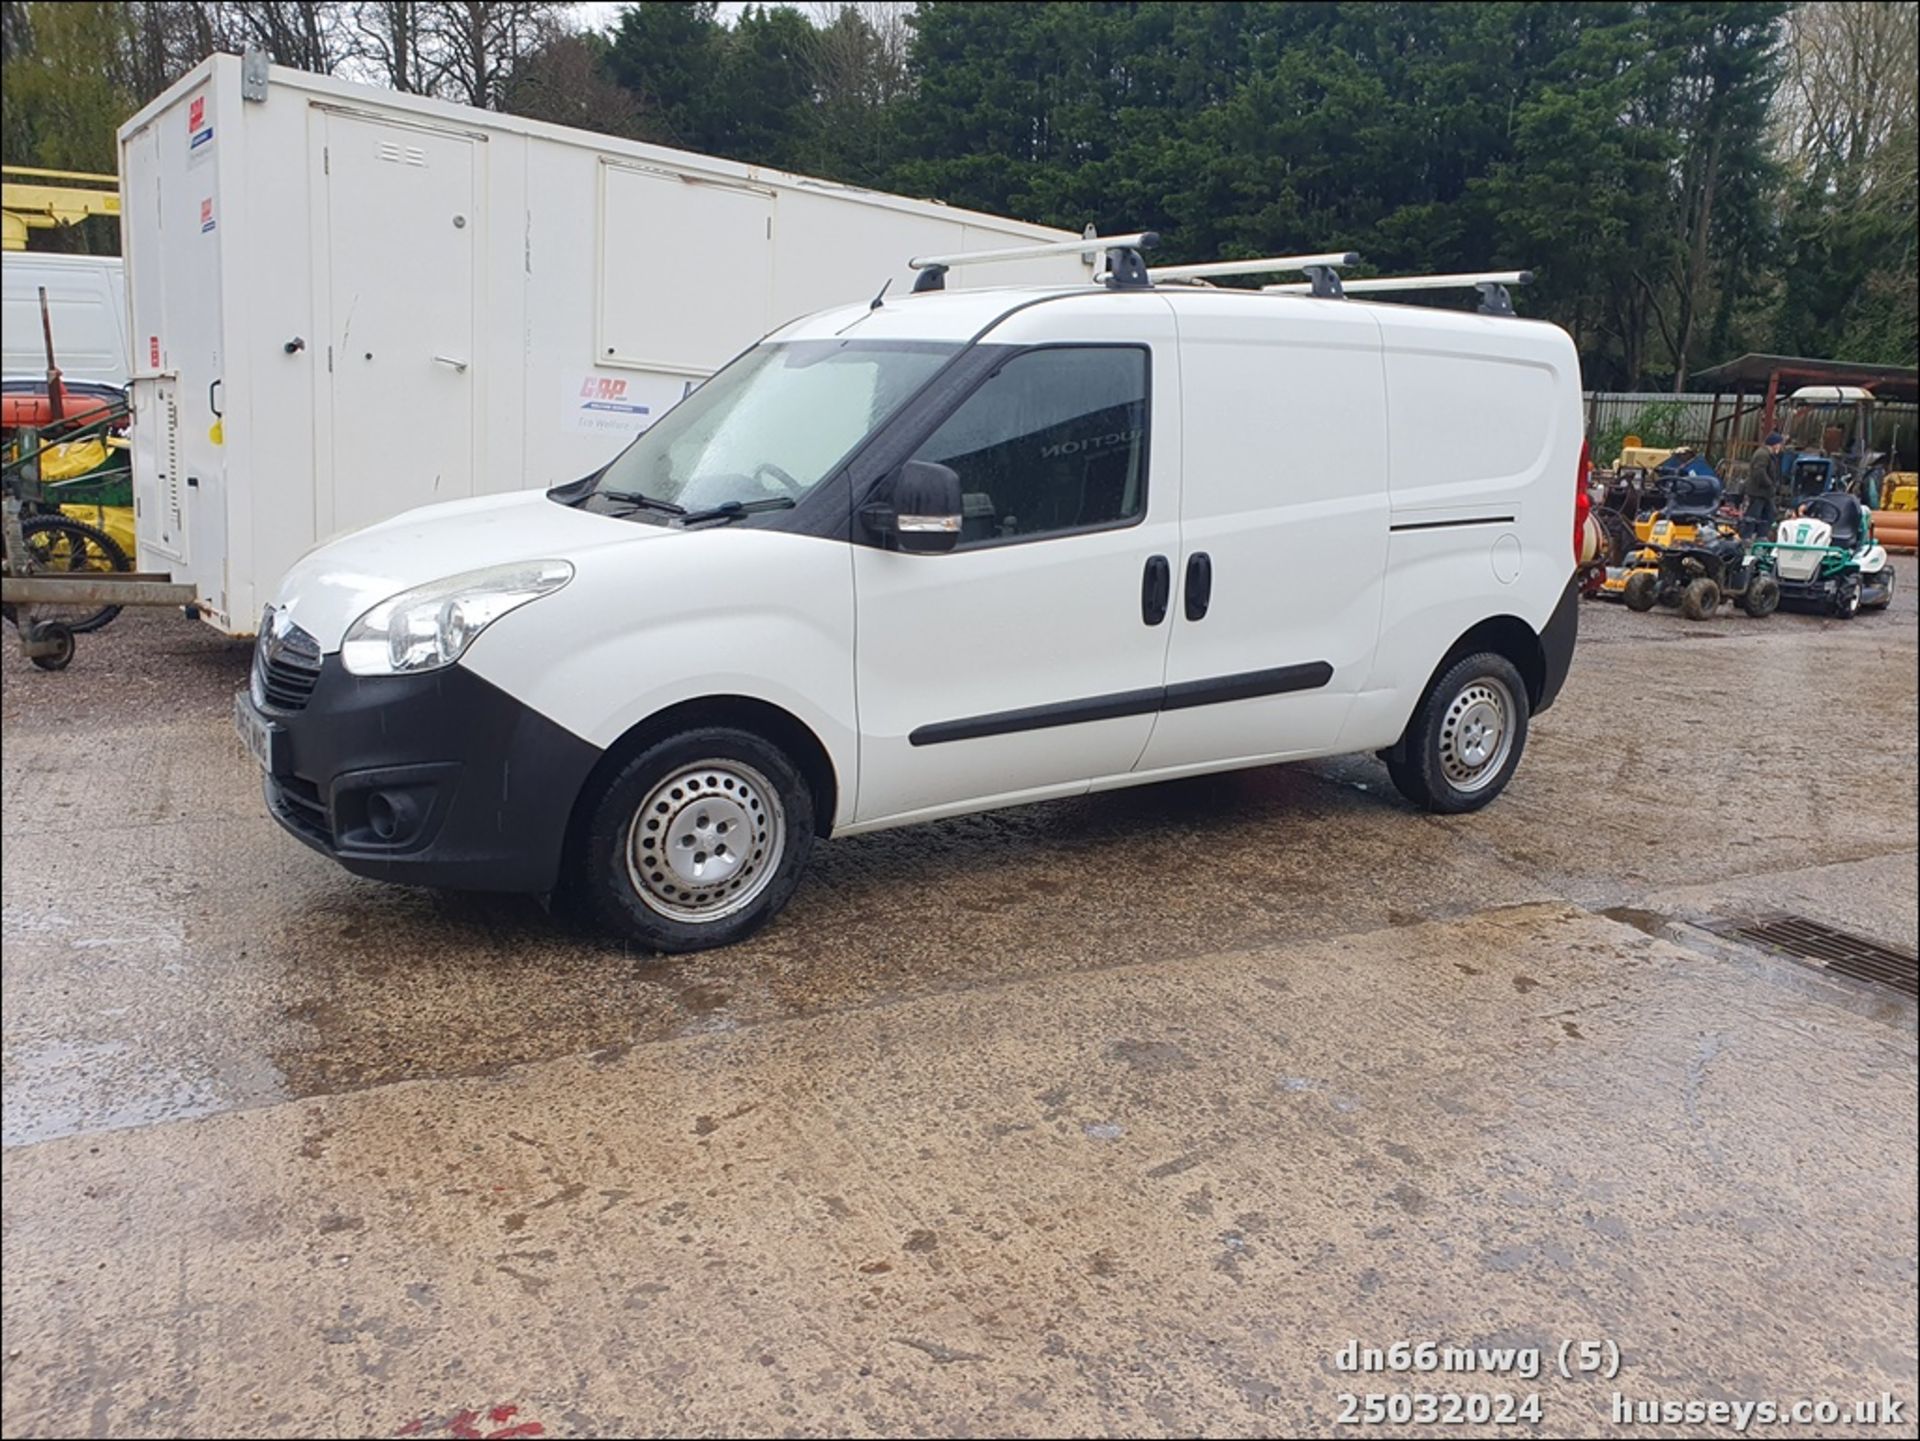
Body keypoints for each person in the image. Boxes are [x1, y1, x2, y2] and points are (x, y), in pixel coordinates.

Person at [1743, 433, 1784, 535]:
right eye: (1779, 444)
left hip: (1765, 493)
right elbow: (1759, 472)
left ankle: (1762, 535)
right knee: (1753, 515)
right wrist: (1769, 484)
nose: (1780, 447)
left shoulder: (1769, 455)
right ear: (1774, 444)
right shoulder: (1762, 454)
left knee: (1768, 515)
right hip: (1758, 492)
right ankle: (1746, 536)